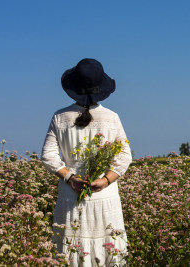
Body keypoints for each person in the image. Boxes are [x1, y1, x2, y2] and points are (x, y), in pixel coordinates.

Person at [41, 58, 132, 266]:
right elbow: (125, 155)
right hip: (105, 197)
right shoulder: (112, 117)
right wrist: (106, 181)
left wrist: (71, 179)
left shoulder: (59, 117)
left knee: (71, 251)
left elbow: (48, 155)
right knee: (110, 250)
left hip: (70, 196)